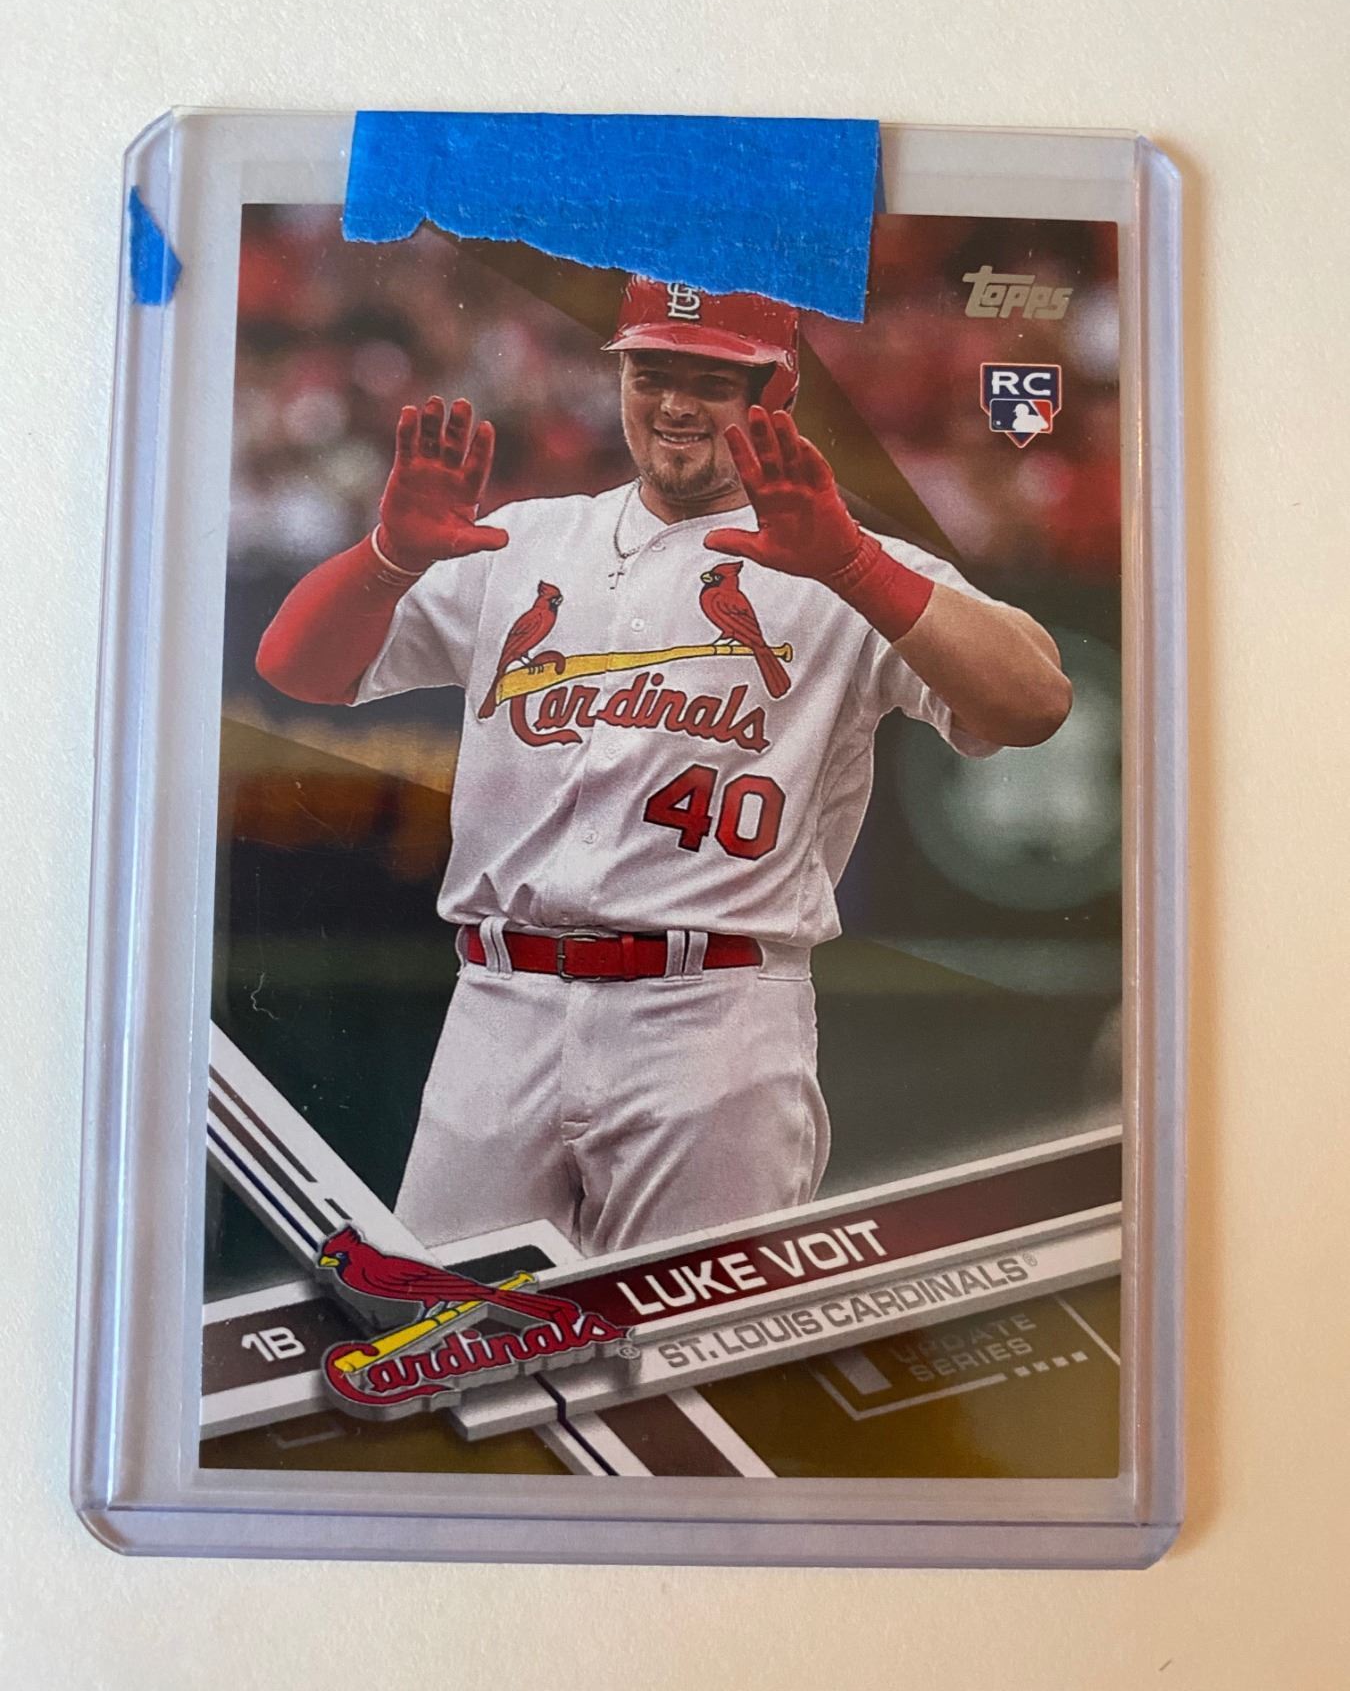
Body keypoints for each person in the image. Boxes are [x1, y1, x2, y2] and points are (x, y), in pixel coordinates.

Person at [256, 277, 1072, 1257]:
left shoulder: (838, 558)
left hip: (710, 1019)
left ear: (776, 392)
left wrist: (853, 565)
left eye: (712, 380)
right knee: (445, 1335)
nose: (675, 403)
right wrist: (388, 554)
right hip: (500, 1006)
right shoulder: (527, 540)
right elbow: (297, 668)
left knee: (698, 1340)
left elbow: (1034, 702)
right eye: (651, 373)